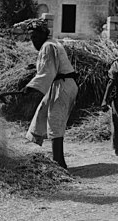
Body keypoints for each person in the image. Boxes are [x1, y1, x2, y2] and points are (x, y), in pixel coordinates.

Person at [23, 19, 78, 169]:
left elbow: (48, 72)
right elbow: (48, 68)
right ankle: (57, 160)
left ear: (43, 34)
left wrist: (31, 87)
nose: (33, 41)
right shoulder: (50, 44)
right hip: (61, 84)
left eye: (35, 37)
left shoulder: (48, 47)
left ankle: (59, 163)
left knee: (55, 121)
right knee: (44, 113)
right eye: (31, 37)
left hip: (62, 85)